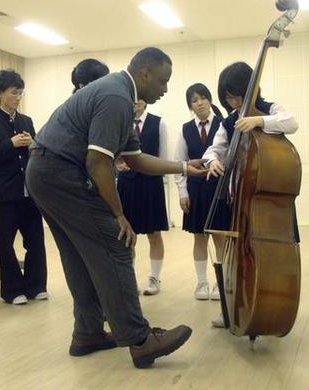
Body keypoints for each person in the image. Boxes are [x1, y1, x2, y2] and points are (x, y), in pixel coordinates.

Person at [26, 47, 204, 369]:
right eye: (164, 81)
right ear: (145, 73)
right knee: (116, 243)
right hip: (59, 172)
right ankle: (140, 339)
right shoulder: (116, 97)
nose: (165, 89)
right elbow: (98, 162)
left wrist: (183, 167)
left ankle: (89, 333)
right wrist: (119, 214)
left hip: (43, 172)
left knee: (80, 254)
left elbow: (135, 159)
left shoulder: (118, 94)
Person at [203, 61, 299, 327]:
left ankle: (274, 303)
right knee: (238, 259)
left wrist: (259, 120)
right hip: (242, 201)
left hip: (269, 200)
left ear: (250, 89)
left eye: (235, 95)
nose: (232, 102)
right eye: (227, 98)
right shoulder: (229, 121)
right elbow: (214, 149)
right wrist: (213, 161)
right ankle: (233, 307)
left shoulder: (270, 109)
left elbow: (292, 123)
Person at [0, 69, 48, 305]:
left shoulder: (26, 121)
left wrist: (32, 144)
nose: (18, 97)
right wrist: (11, 144)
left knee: (35, 240)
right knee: (6, 245)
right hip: (4, 195)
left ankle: (36, 286)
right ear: (0, 93)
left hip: (30, 193)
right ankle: (13, 291)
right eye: (14, 93)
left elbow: (38, 152)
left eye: (20, 93)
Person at [174, 83, 229, 301]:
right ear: (190, 105)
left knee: (220, 237)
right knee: (199, 238)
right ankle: (202, 282)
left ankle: (220, 281)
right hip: (195, 190)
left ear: (210, 100)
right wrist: (182, 193)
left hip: (219, 188)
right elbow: (180, 164)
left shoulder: (223, 125)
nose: (200, 103)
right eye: (195, 100)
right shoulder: (185, 129)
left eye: (204, 97)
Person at [116, 99, 169, 296]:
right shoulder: (120, 122)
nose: (135, 102)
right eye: (131, 98)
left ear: (145, 102)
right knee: (128, 236)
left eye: (138, 99)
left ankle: (154, 278)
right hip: (126, 184)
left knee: (154, 233)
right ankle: (129, 280)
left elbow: (163, 156)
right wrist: (116, 163)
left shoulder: (159, 122)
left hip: (151, 184)